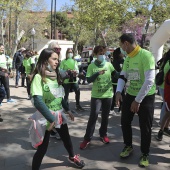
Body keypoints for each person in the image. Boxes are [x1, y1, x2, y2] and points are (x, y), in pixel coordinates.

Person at [31, 48, 85, 169]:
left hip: (58, 116)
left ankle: (72, 156)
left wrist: (68, 110)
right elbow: (38, 102)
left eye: (58, 59)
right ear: (45, 60)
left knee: (67, 139)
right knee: (42, 148)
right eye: (54, 59)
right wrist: (51, 119)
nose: (57, 62)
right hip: (46, 118)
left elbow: (59, 97)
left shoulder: (56, 76)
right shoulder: (38, 78)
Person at [115, 33, 156, 167]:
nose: (121, 48)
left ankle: (145, 154)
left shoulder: (146, 55)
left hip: (146, 96)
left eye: (121, 45)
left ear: (126, 43)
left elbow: (150, 80)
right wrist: (118, 92)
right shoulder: (128, 58)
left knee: (145, 127)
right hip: (131, 94)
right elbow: (123, 76)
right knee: (125, 121)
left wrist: (138, 100)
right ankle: (128, 146)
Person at [80, 45, 116, 149]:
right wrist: (97, 73)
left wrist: (125, 73)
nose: (102, 55)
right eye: (100, 54)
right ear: (95, 54)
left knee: (105, 116)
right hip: (96, 96)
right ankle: (87, 138)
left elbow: (116, 74)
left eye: (103, 54)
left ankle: (103, 134)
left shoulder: (109, 65)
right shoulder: (92, 66)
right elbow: (89, 80)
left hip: (108, 95)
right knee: (93, 116)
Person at [156, 59, 170, 141]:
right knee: (167, 112)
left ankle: (164, 128)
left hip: (166, 91)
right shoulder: (168, 65)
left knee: (168, 113)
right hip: (168, 94)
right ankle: (161, 130)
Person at [110, 47, 125, 114]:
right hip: (119, 81)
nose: (124, 53)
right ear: (119, 54)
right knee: (121, 95)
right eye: (122, 52)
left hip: (114, 80)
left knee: (116, 94)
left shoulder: (114, 61)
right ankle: (120, 109)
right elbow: (121, 70)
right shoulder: (121, 61)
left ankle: (113, 108)